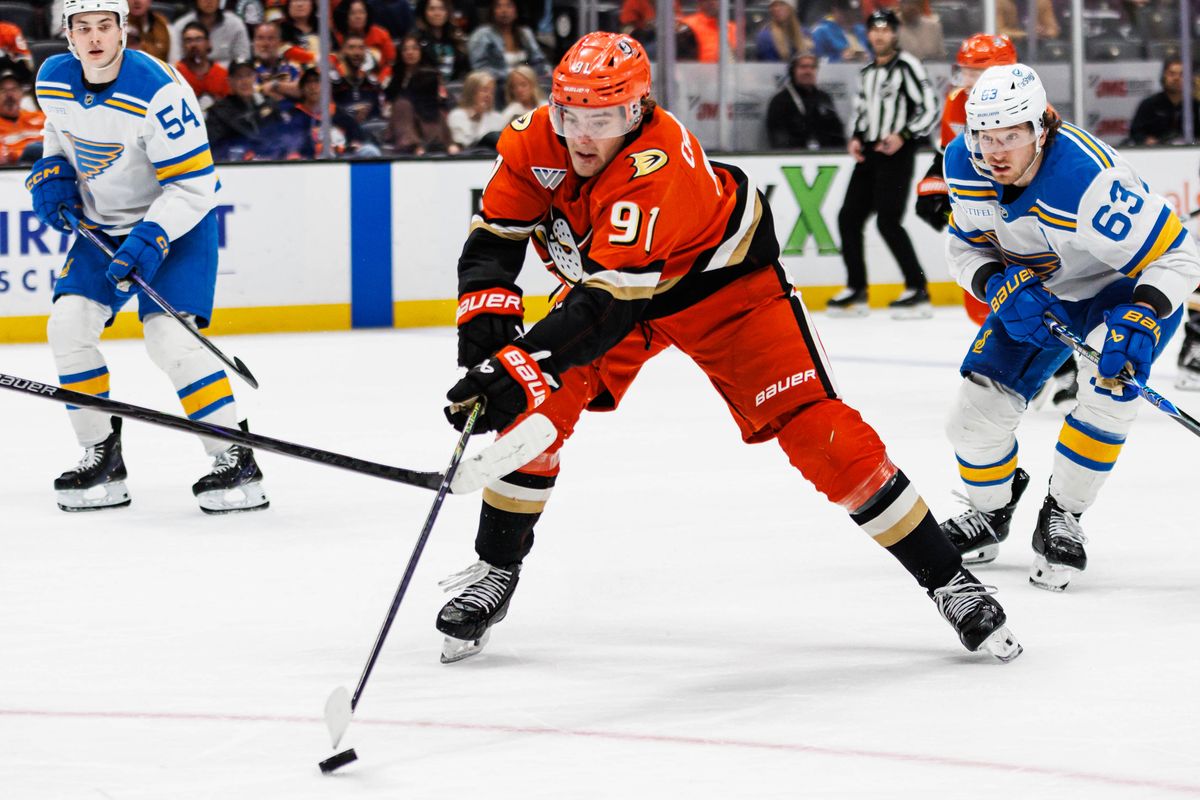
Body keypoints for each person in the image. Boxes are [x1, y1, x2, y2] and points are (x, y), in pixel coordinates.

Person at [432, 31, 1022, 667]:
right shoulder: (532, 139)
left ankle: (949, 580)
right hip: (613, 292)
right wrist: (485, 345)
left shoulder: (660, 162)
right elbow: (495, 242)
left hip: (723, 292)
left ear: (636, 110)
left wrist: (521, 365)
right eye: (571, 115)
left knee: (821, 434)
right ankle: (495, 570)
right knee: (534, 410)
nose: (581, 135)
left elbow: (608, 306)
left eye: (601, 118)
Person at [938, 63, 1200, 591]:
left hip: (1122, 292)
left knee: (1109, 394)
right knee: (972, 419)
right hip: (1033, 290)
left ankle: (1064, 513)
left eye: (1010, 136)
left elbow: (1179, 257)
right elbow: (963, 247)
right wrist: (994, 284)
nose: (994, 151)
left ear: (1043, 126)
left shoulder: (1087, 180)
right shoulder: (962, 165)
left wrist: (1144, 312)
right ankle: (992, 511)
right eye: (984, 136)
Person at [29, 0, 268, 514]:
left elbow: (195, 186)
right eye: (82, 27)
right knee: (67, 328)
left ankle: (234, 457)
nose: (94, 38)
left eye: (104, 26)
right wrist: (52, 168)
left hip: (176, 225)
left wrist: (151, 237)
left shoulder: (158, 90)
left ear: (123, 30)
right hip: (103, 227)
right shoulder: (52, 76)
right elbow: (58, 125)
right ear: (67, 34)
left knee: (168, 341)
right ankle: (102, 456)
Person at [829, 8, 937, 318]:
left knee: (887, 221)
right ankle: (857, 289)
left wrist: (904, 135)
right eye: (874, 30)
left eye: (885, 29)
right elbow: (861, 112)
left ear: (894, 33)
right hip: (869, 154)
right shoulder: (867, 73)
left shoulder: (907, 67)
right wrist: (855, 137)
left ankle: (917, 289)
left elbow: (930, 109)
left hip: (897, 155)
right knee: (848, 218)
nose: (879, 35)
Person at [205, 59, 285, 160]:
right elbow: (214, 149)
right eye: (239, 77)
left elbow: (282, 136)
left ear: (255, 77)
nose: (245, 81)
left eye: (248, 75)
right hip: (237, 167)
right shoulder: (218, 112)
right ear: (229, 81)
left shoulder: (268, 105)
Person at [764, 53, 845, 150]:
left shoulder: (824, 98)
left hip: (825, 156)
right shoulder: (780, 101)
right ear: (793, 71)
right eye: (803, 67)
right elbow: (778, 138)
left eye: (812, 67)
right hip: (793, 157)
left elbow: (837, 133)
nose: (808, 71)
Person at [467, 0, 549, 86]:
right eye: (498, 6)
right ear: (492, 11)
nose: (504, 11)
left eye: (509, 6)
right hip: (495, 87)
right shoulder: (482, 35)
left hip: (525, 86)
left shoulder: (525, 33)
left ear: (516, 11)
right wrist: (511, 76)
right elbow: (479, 69)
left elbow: (539, 60)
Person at [1129, 59, 1200, 146]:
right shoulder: (1149, 104)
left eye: (1182, 75)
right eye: (1171, 74)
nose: (1176, 78)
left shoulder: (1195, 106)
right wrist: (1146, 140)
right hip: (1156, 153)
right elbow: (1135, 131)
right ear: (1164, 77)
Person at [169, 0, 251, 66]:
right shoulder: (180, 26)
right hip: (190, 79)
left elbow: (243, 60)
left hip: (228, 79)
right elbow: (175, 62)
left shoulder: (235, 24)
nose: (209, 1)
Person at [175, 21, 230, 110]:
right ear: (183, 45)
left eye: (198, 39)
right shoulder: (175, 73)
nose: (193, 45)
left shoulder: (222, 74)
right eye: (188, 40)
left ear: (208, 43)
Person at [447, 69, 506, 151]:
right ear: (471, 92)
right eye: (484, 90)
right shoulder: (457, 115)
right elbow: (465, 143)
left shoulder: (499, 119)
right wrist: (477, 116)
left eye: (491, 92)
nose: (488, 95)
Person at [414, 0, 469, 83]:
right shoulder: (417, 39)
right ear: (424, 12)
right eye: (432, 9)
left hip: (455, 89)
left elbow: (465, 69)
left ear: (447, 12)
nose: (437, 13)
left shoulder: (456, 37)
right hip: (426, 89)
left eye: (442, 9)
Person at [0, 65, 45, 165]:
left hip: (49, 165)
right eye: (3, 90)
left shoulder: (40, 117)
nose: (9, 95)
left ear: (21, 93)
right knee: (32, 149)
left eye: (14, 89)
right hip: (15, 171)